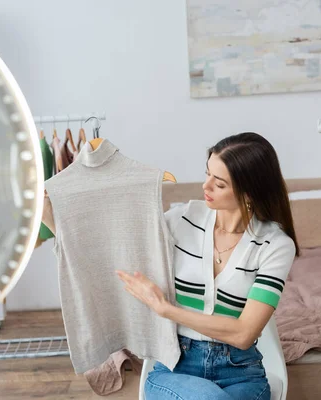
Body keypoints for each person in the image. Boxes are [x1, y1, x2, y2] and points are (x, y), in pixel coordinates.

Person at [42, 132, 299, 400]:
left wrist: (166, 310)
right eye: (207, 173)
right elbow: (107, 251)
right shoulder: (182, 220)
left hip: (241, 373)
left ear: (249, 192)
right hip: (175, 368)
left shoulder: (276, 246)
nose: (205, 186)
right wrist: (52, 220)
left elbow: (245, 333)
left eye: (219, 184)